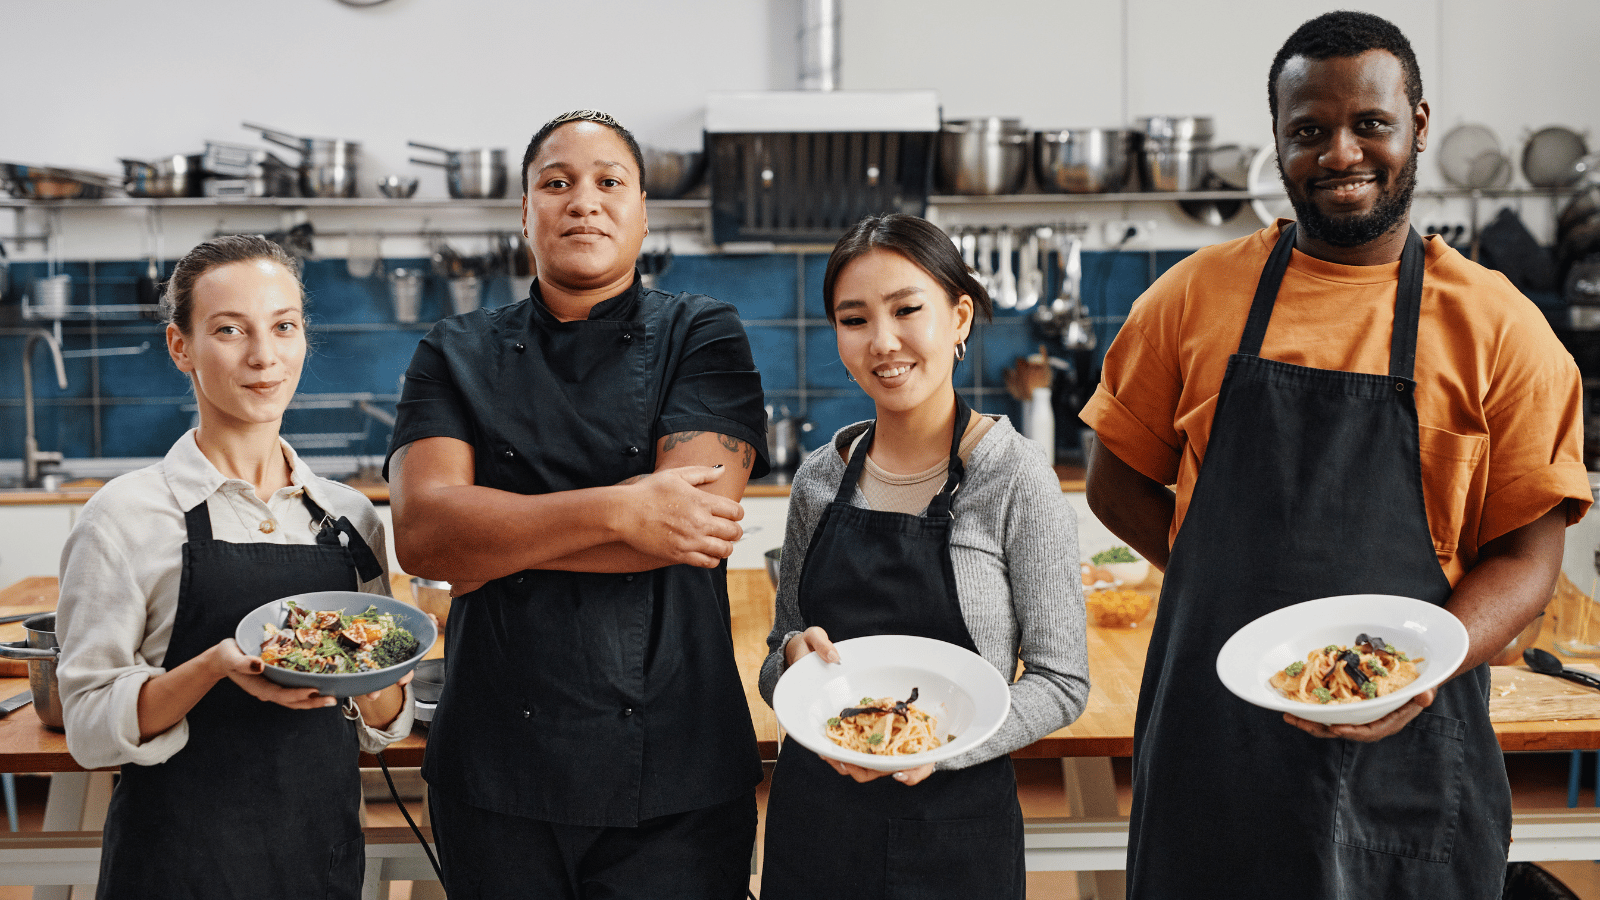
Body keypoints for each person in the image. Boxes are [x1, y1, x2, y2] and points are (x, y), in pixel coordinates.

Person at [1081, 10, 1592, 898]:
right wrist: (1221, 578)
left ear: (1418, 126)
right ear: (1277, 140)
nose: (1341, 154)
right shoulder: (1191, 298)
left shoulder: (1501, 328)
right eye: (1309, 131)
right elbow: (1115, 482)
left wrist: (1427, 661)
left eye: (1372, 124)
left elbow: (1529, 555)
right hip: (1217, 737)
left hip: (1415, 749)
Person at [385, 109, 770, 899]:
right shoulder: (451, 350)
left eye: (608, 182)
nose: (582, 201)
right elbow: (424, 537)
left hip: (677, 765)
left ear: (641, 213)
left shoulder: (706, 334)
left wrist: (492, 531)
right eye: (555, 183)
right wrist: (623, 511)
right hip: (495, 769)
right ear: (525, 212)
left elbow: (687, 526)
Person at [55, 234, 414, 900]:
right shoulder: (124, 516)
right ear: (180, 347)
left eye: (283, 327)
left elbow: (383, 726)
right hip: (176, 870)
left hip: (319, 863)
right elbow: (89, 728)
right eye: (229, 330)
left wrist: (368, 669)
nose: (263, 357)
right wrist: (216, 666)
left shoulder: (349, 519)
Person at [757, 213, 1090, 900]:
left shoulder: (1016, 479)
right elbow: (778, 653)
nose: (883, 342)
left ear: (959, 316)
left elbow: (1061, 683)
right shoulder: (819, 481)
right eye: (854, 320)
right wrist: (791, 660)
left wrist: (937, 748)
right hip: (817, 827)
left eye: (907, 309)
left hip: (956, 835)